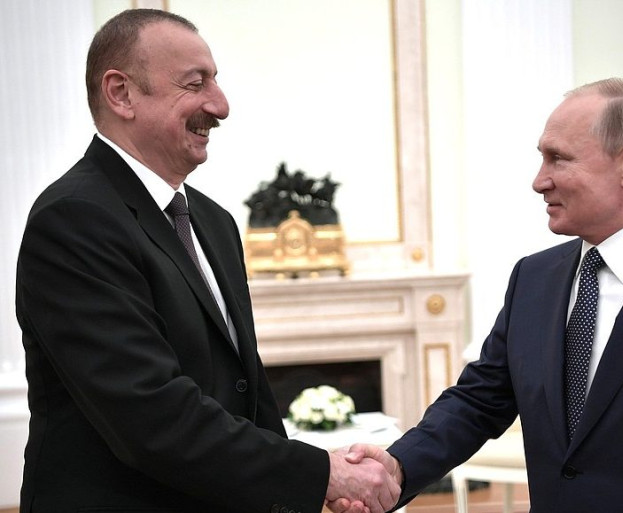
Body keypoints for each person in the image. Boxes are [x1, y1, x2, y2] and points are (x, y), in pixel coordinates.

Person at [15, 9, 397, 513]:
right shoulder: (73, 220)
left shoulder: (214, 222)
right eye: (196, 84)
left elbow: (247, 392)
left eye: (215, 81)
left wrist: (299, 493)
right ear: (121, 93)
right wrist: (320, 475)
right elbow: (149, 415)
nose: (221, 106)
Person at [337, 78, 623, 512]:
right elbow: (479, 399)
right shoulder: (533, 277)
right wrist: (398, 468)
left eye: (558, 159)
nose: (539, 181)